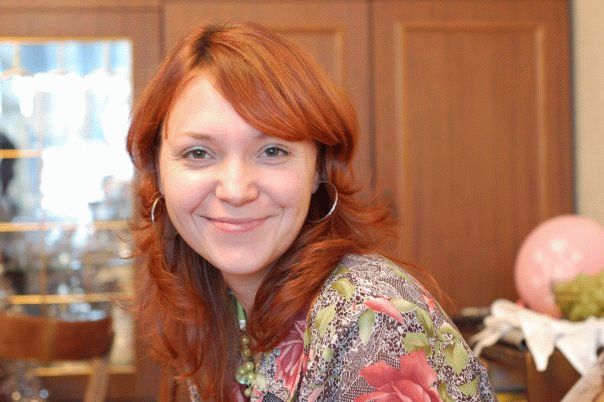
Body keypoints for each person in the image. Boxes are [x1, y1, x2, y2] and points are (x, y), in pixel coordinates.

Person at [127, 22, 495, 402]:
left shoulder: (371, 321)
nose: (236, 191)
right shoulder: (216, 300)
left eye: (272, 151)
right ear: (157, 170)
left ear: (319, 168)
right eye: (199, 153)